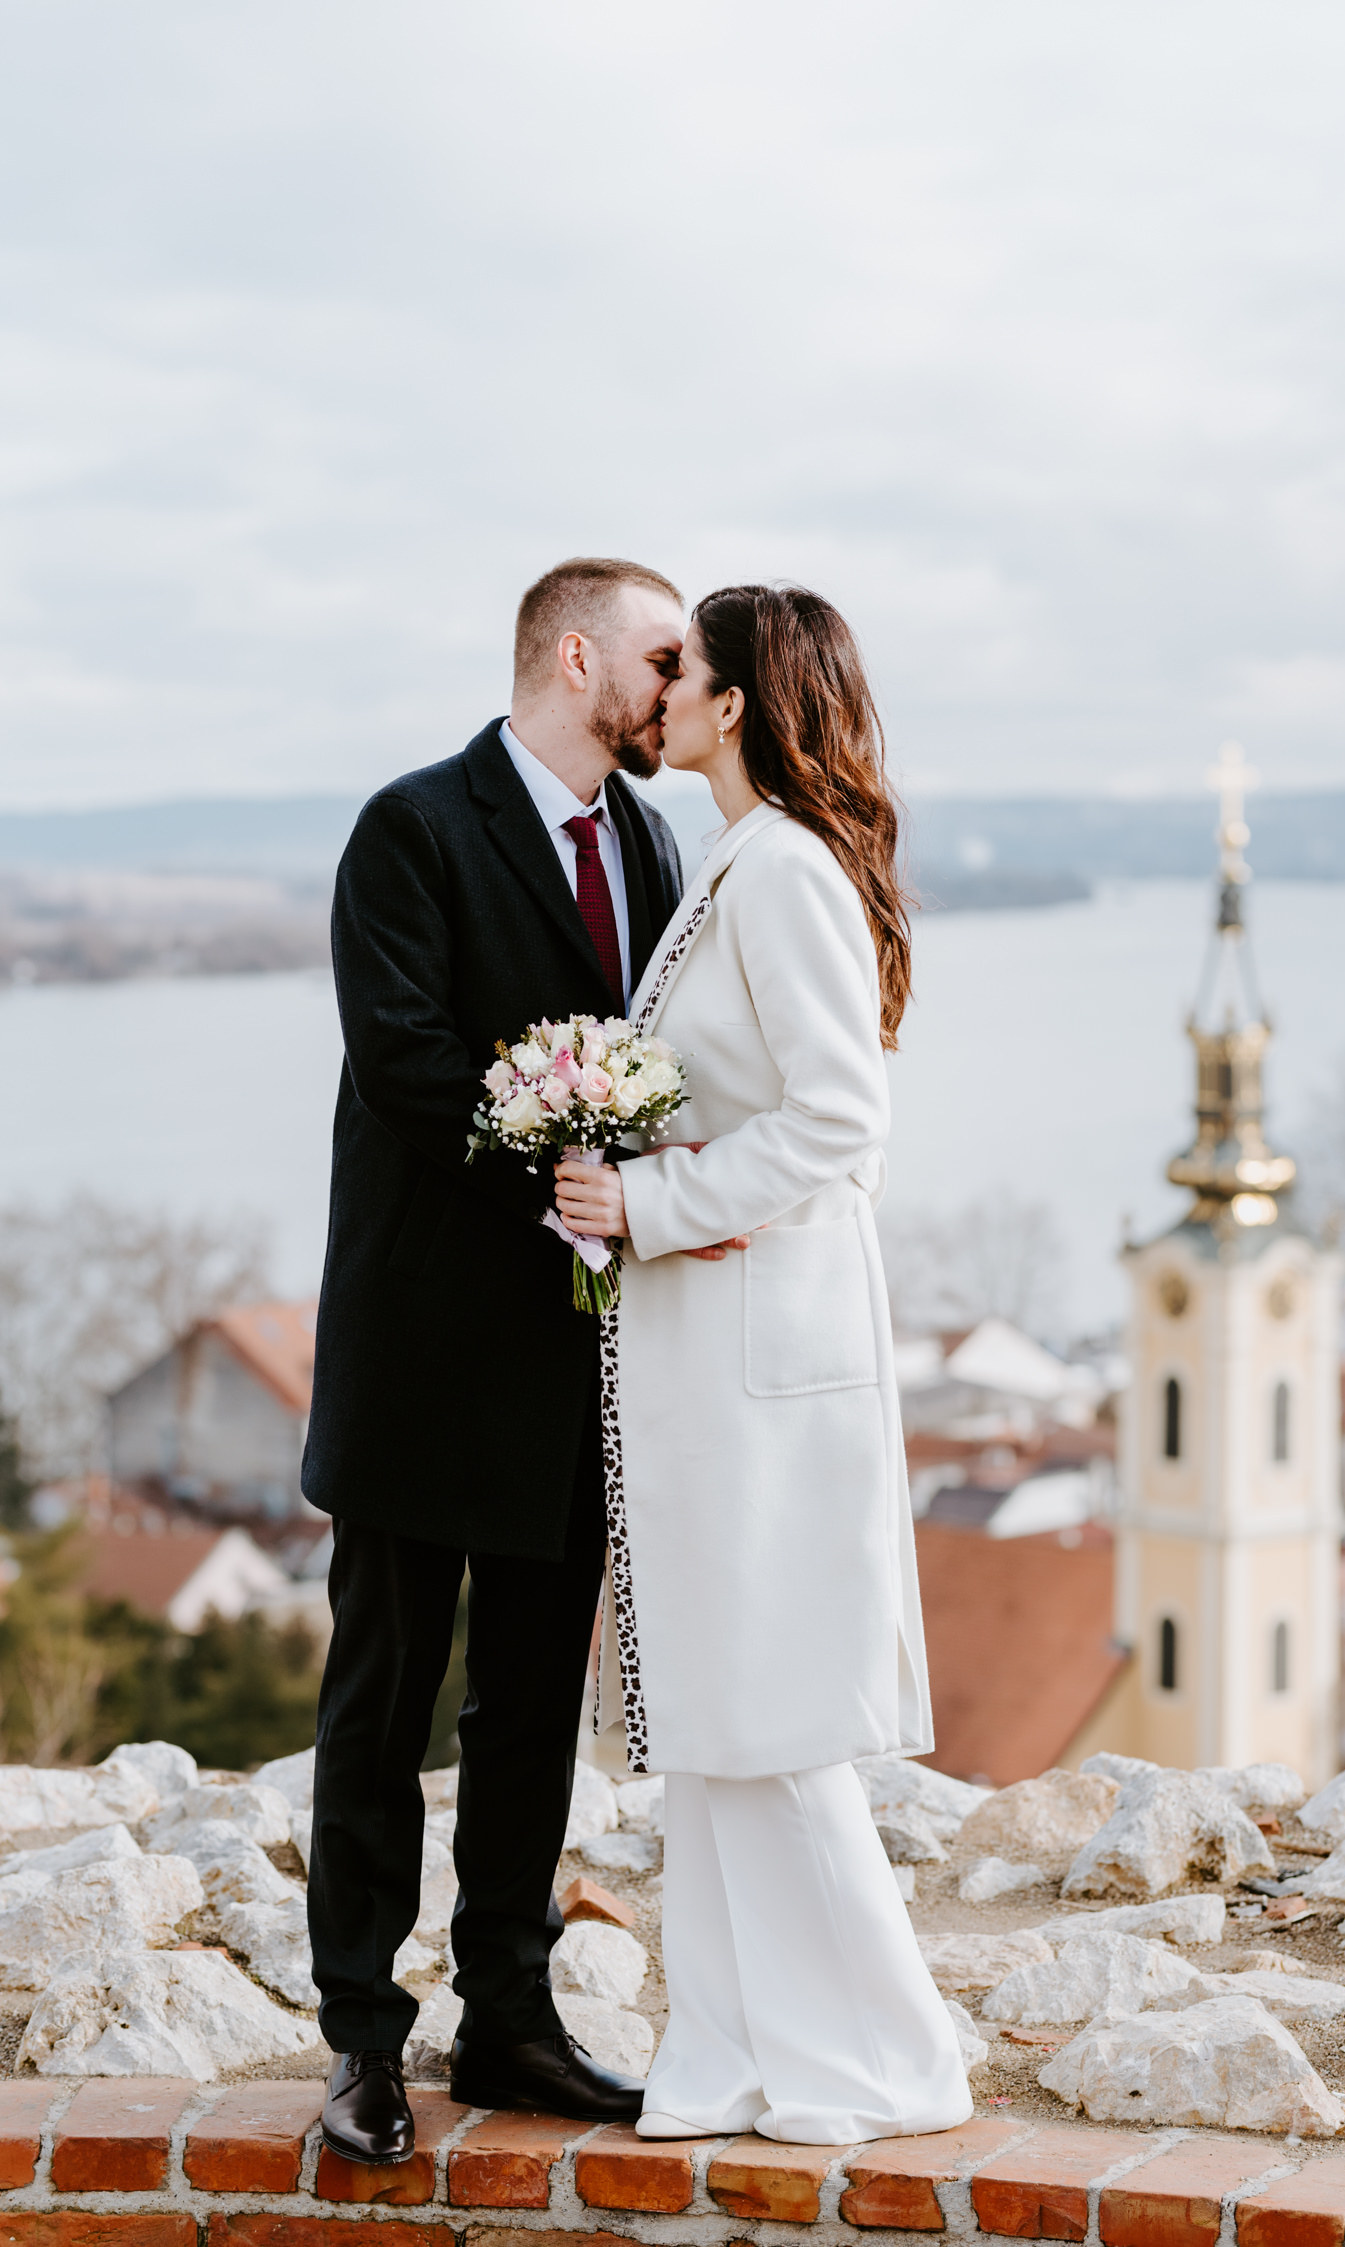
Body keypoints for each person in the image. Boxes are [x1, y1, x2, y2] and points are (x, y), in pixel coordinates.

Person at [554, 584, 971, 2145]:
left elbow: (839, 1117)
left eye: (684, 670)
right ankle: (727, 2050)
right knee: (723, 1719)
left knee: (775, 1717)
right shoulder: (732, 863)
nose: (656, 691)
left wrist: (649, 1199)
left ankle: (885, 2055)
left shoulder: (782, 867)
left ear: (731, 706)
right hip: (701, 1351)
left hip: (760, 1361)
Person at [301, 557, 685, 2165]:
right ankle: (362, 2044)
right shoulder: (413, 825)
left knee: (532, 1706)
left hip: (570, 1354)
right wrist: (570, 1151)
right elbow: (401, 1059)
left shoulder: (655, 840)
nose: (687, 684)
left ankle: (509, 2024)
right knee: (383, 1699)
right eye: (667, 656)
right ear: (576, 654)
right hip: (417, 1344)